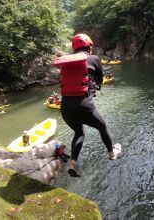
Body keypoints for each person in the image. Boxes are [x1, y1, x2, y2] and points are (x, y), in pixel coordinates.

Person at [54, 33, 121, 177]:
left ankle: (73, 163)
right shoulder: (94, 58)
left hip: (65, 107)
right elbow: (100, 79)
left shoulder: (66, 63)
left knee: (79, 132)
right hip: (83, 104)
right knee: (103, 127)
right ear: (89, 47)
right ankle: (111, 153)